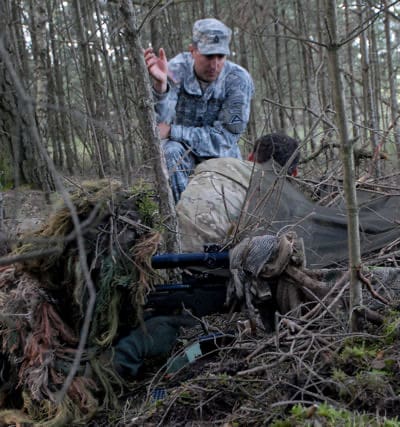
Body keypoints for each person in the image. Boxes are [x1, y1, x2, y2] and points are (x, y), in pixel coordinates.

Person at [144, 18, 255, 203]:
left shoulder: (238, 80)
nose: (215, 65)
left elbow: (225, 139)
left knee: (231, 208)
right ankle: (180, 221)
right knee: (169, 151)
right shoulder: (174, 69)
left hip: (223, 155)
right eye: (208, 56)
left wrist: (174, 131)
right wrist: (161, 87)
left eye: (221, 56)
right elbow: (160, 126)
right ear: (193, 51)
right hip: (182, 153)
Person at [176, 133, 300, 253]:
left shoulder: (211, 168)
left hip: (172, 253)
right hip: (218, 265)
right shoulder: (276, 197)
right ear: (294, 174)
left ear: (250, 157)